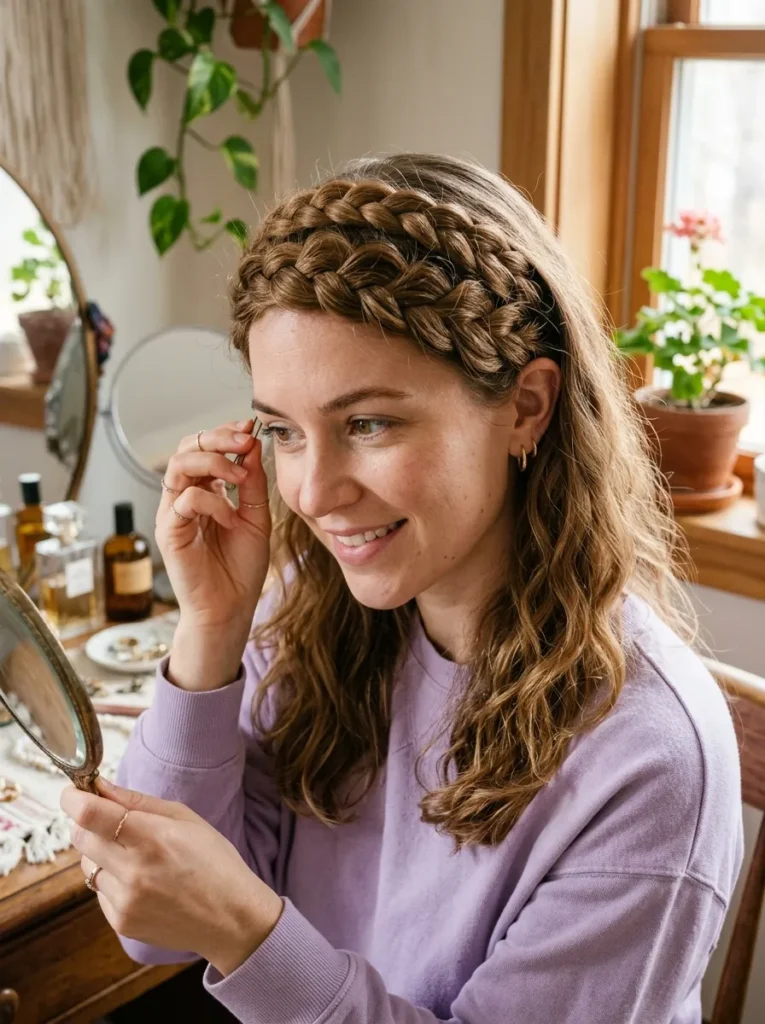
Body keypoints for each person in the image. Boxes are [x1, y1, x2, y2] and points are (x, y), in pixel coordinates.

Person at [61, 153, 744, 1024]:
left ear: (526, 407)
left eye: (368, 423)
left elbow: (214, 920)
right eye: (283, 431)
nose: (310, 493)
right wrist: (212, 630)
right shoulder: (321, 609)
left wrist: (247, 931)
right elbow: (155, 926)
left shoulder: (648, 760)